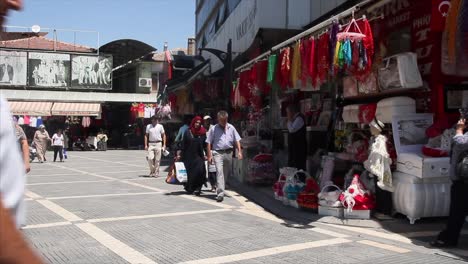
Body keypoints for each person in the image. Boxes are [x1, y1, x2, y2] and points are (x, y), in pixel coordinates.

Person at [431, 117, 468, 248]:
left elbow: (461, 143)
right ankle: (448, 237)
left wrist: (459, 130)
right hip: (461, 179)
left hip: (464, 181)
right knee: (457, 211)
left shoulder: (463, 133)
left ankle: (449, 238)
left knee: (457, 211)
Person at [206, 111, 242, 202]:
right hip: (217, 153)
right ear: (218, 119)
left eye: (225, 120)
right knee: (219, 171)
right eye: (222, 120)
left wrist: (239, 151)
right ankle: (220, 193)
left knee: (225, 172)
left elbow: (237, 140)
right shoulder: (213, 129)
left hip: (228, 153)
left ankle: (221, 186)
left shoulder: (231, 128)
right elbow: (209, 142)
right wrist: (209, 155)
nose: (224, 122)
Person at [179, 116, 207, 195]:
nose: (197, 124)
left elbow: (205, 144)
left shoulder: (203, 132)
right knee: (191, 173)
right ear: (193, 122)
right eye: (196, 122)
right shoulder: (188, 132)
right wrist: (180, 154)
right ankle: (191, 187)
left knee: (200, 171)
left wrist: (207, 154)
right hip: (188, 156)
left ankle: (198, 187)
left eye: (199, 123)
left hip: (199, 155)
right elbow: (183, 144)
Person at [286, 104, 307, 171]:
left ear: (292, 111)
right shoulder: (294, 119)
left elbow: (292, 130)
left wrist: (289, 121)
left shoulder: (299, 118)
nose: (287, 115)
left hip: (299, 148)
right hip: (294, 149)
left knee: (298, 167)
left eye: (288, 112)